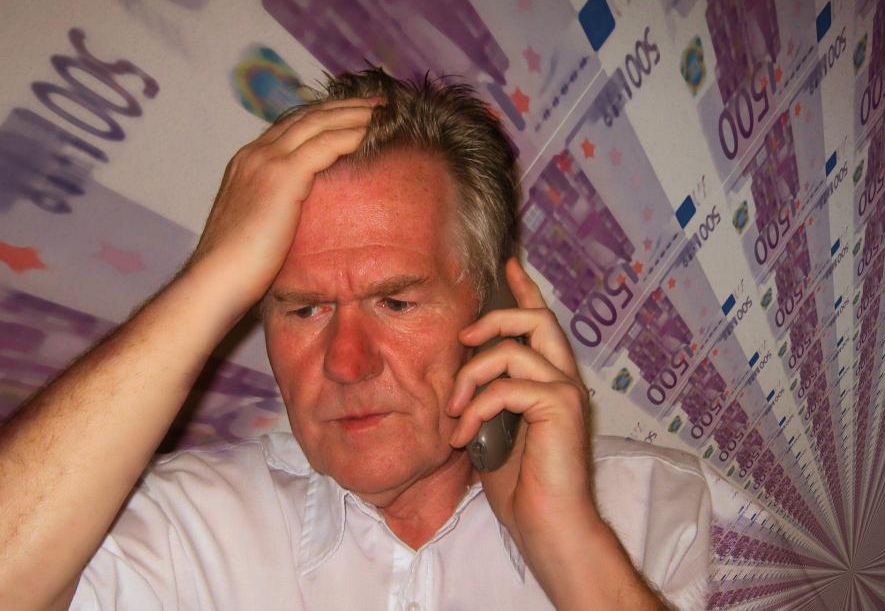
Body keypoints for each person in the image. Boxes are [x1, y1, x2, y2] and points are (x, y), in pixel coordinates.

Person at [0, 69, 711, 610]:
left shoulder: (644, 505)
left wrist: (567, 548)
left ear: (493, 307)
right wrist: (209, 280)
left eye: (396, 301)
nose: (347, 362)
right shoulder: (183, 529)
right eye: (304, 309)